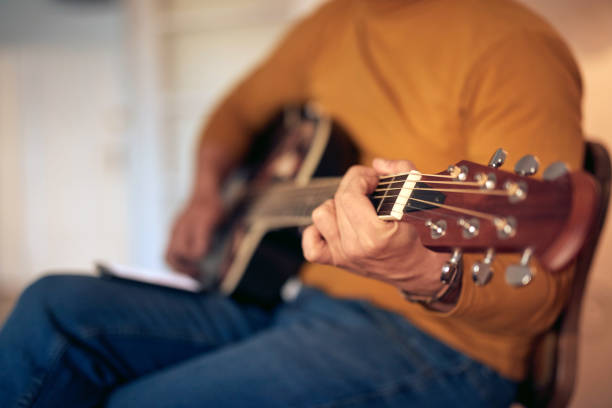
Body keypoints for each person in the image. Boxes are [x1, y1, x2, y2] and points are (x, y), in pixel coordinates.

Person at [0, 0, 583, 406]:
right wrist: (206, 195)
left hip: (438, 344)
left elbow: (538, 299)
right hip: (290, 296)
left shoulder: (513, 46)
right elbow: (233, 115)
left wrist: (420, 269)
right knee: (52, 307)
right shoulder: (334, 22)